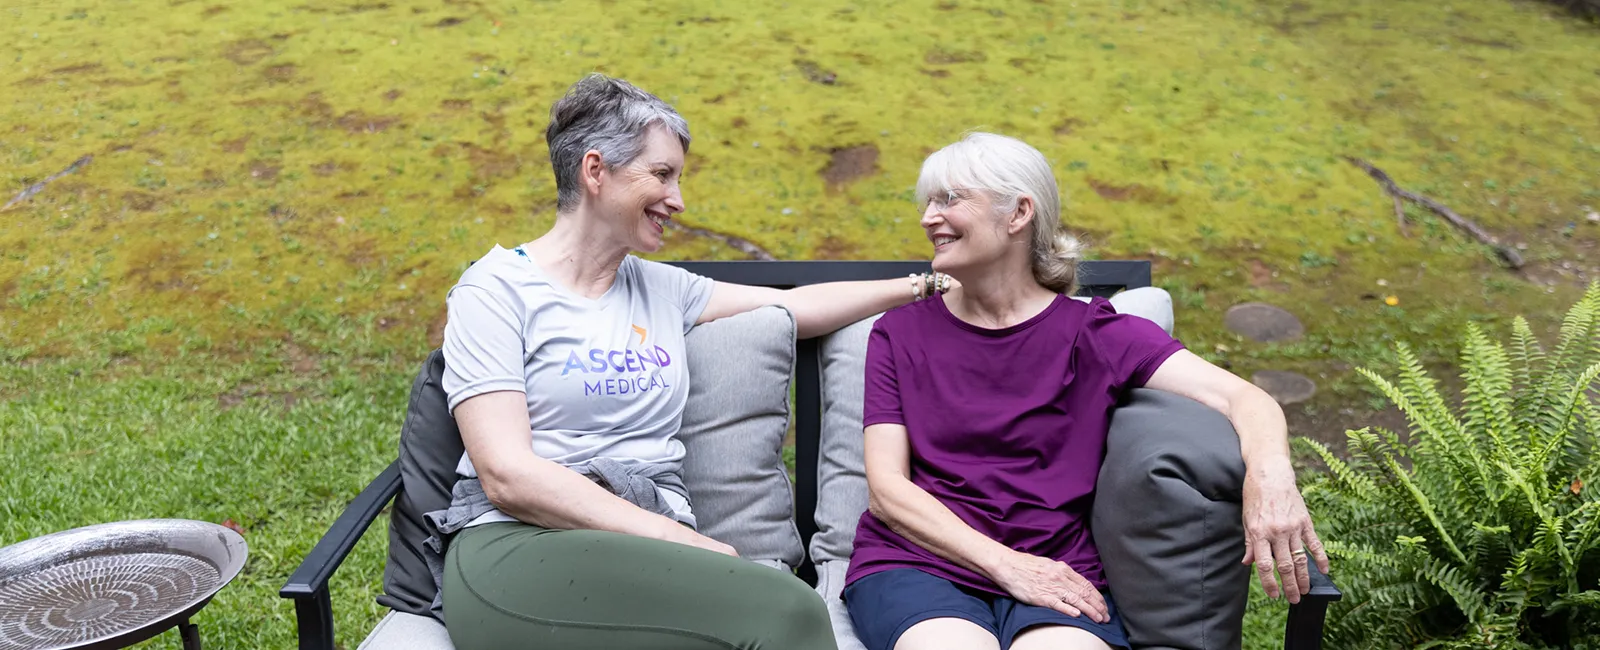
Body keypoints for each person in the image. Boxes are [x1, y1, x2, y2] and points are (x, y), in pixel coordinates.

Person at [429, 74, 952, 650]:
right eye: (661, 175)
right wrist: (681, 540)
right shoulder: (496, 289)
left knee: (774, 611)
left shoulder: (663, 289)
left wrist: (924, 285)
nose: (678, 200)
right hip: (519, 547)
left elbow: (796, 307)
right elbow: (507, 475)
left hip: (644, 550)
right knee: (790, 611)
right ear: (596, 171)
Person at [842, 133, 1329, 650]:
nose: (928, 218)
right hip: (921, 562)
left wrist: (1270, 478)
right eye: (928, 202)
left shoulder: (1096, 334)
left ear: (1018, 213)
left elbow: (1245, 399)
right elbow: (888, 490)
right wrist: (1008, 567)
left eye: (949, 200)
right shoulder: (900, 333)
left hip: (1057, 567)